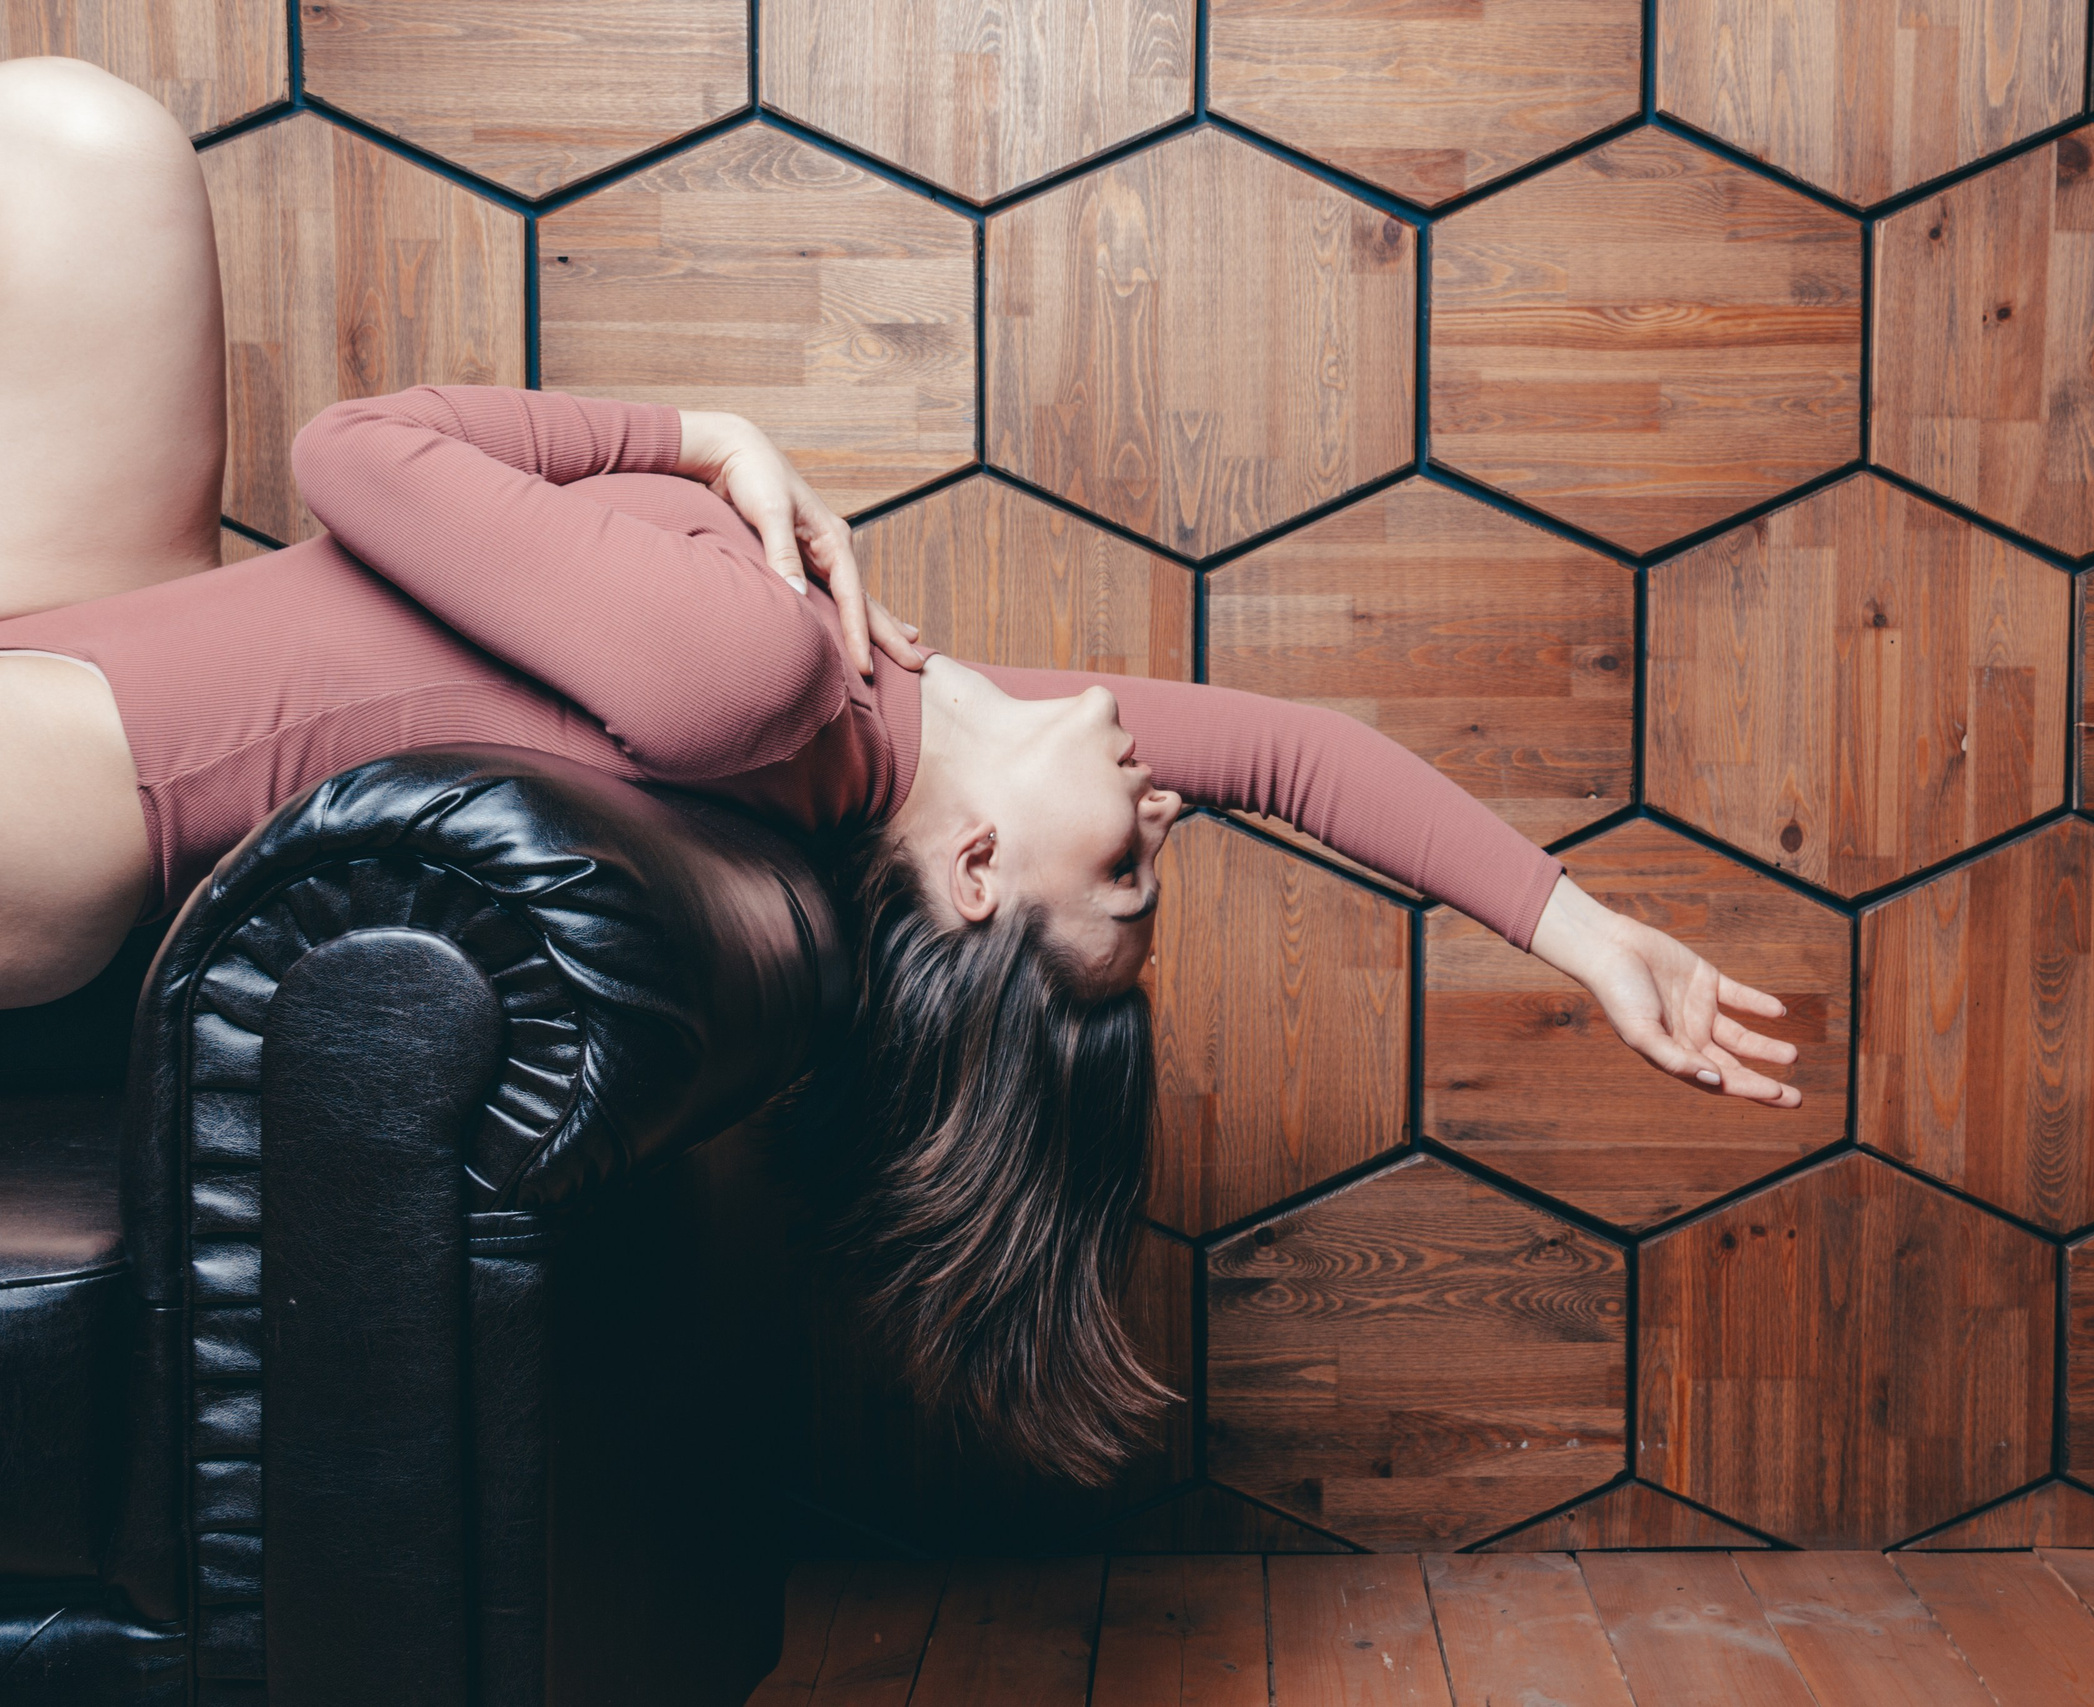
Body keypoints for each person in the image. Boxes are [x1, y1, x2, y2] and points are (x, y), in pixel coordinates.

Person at [0, 55, 1803, 1483]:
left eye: (1128, 873)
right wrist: (1581, 934)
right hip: (125, 629)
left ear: (971, 873)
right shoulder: (881, 702)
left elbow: (359, 450)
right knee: (86, 147)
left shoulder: (764, 681)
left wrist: (698, 436)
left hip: (69, 783)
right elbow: (1297, 754)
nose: (1166, 810)